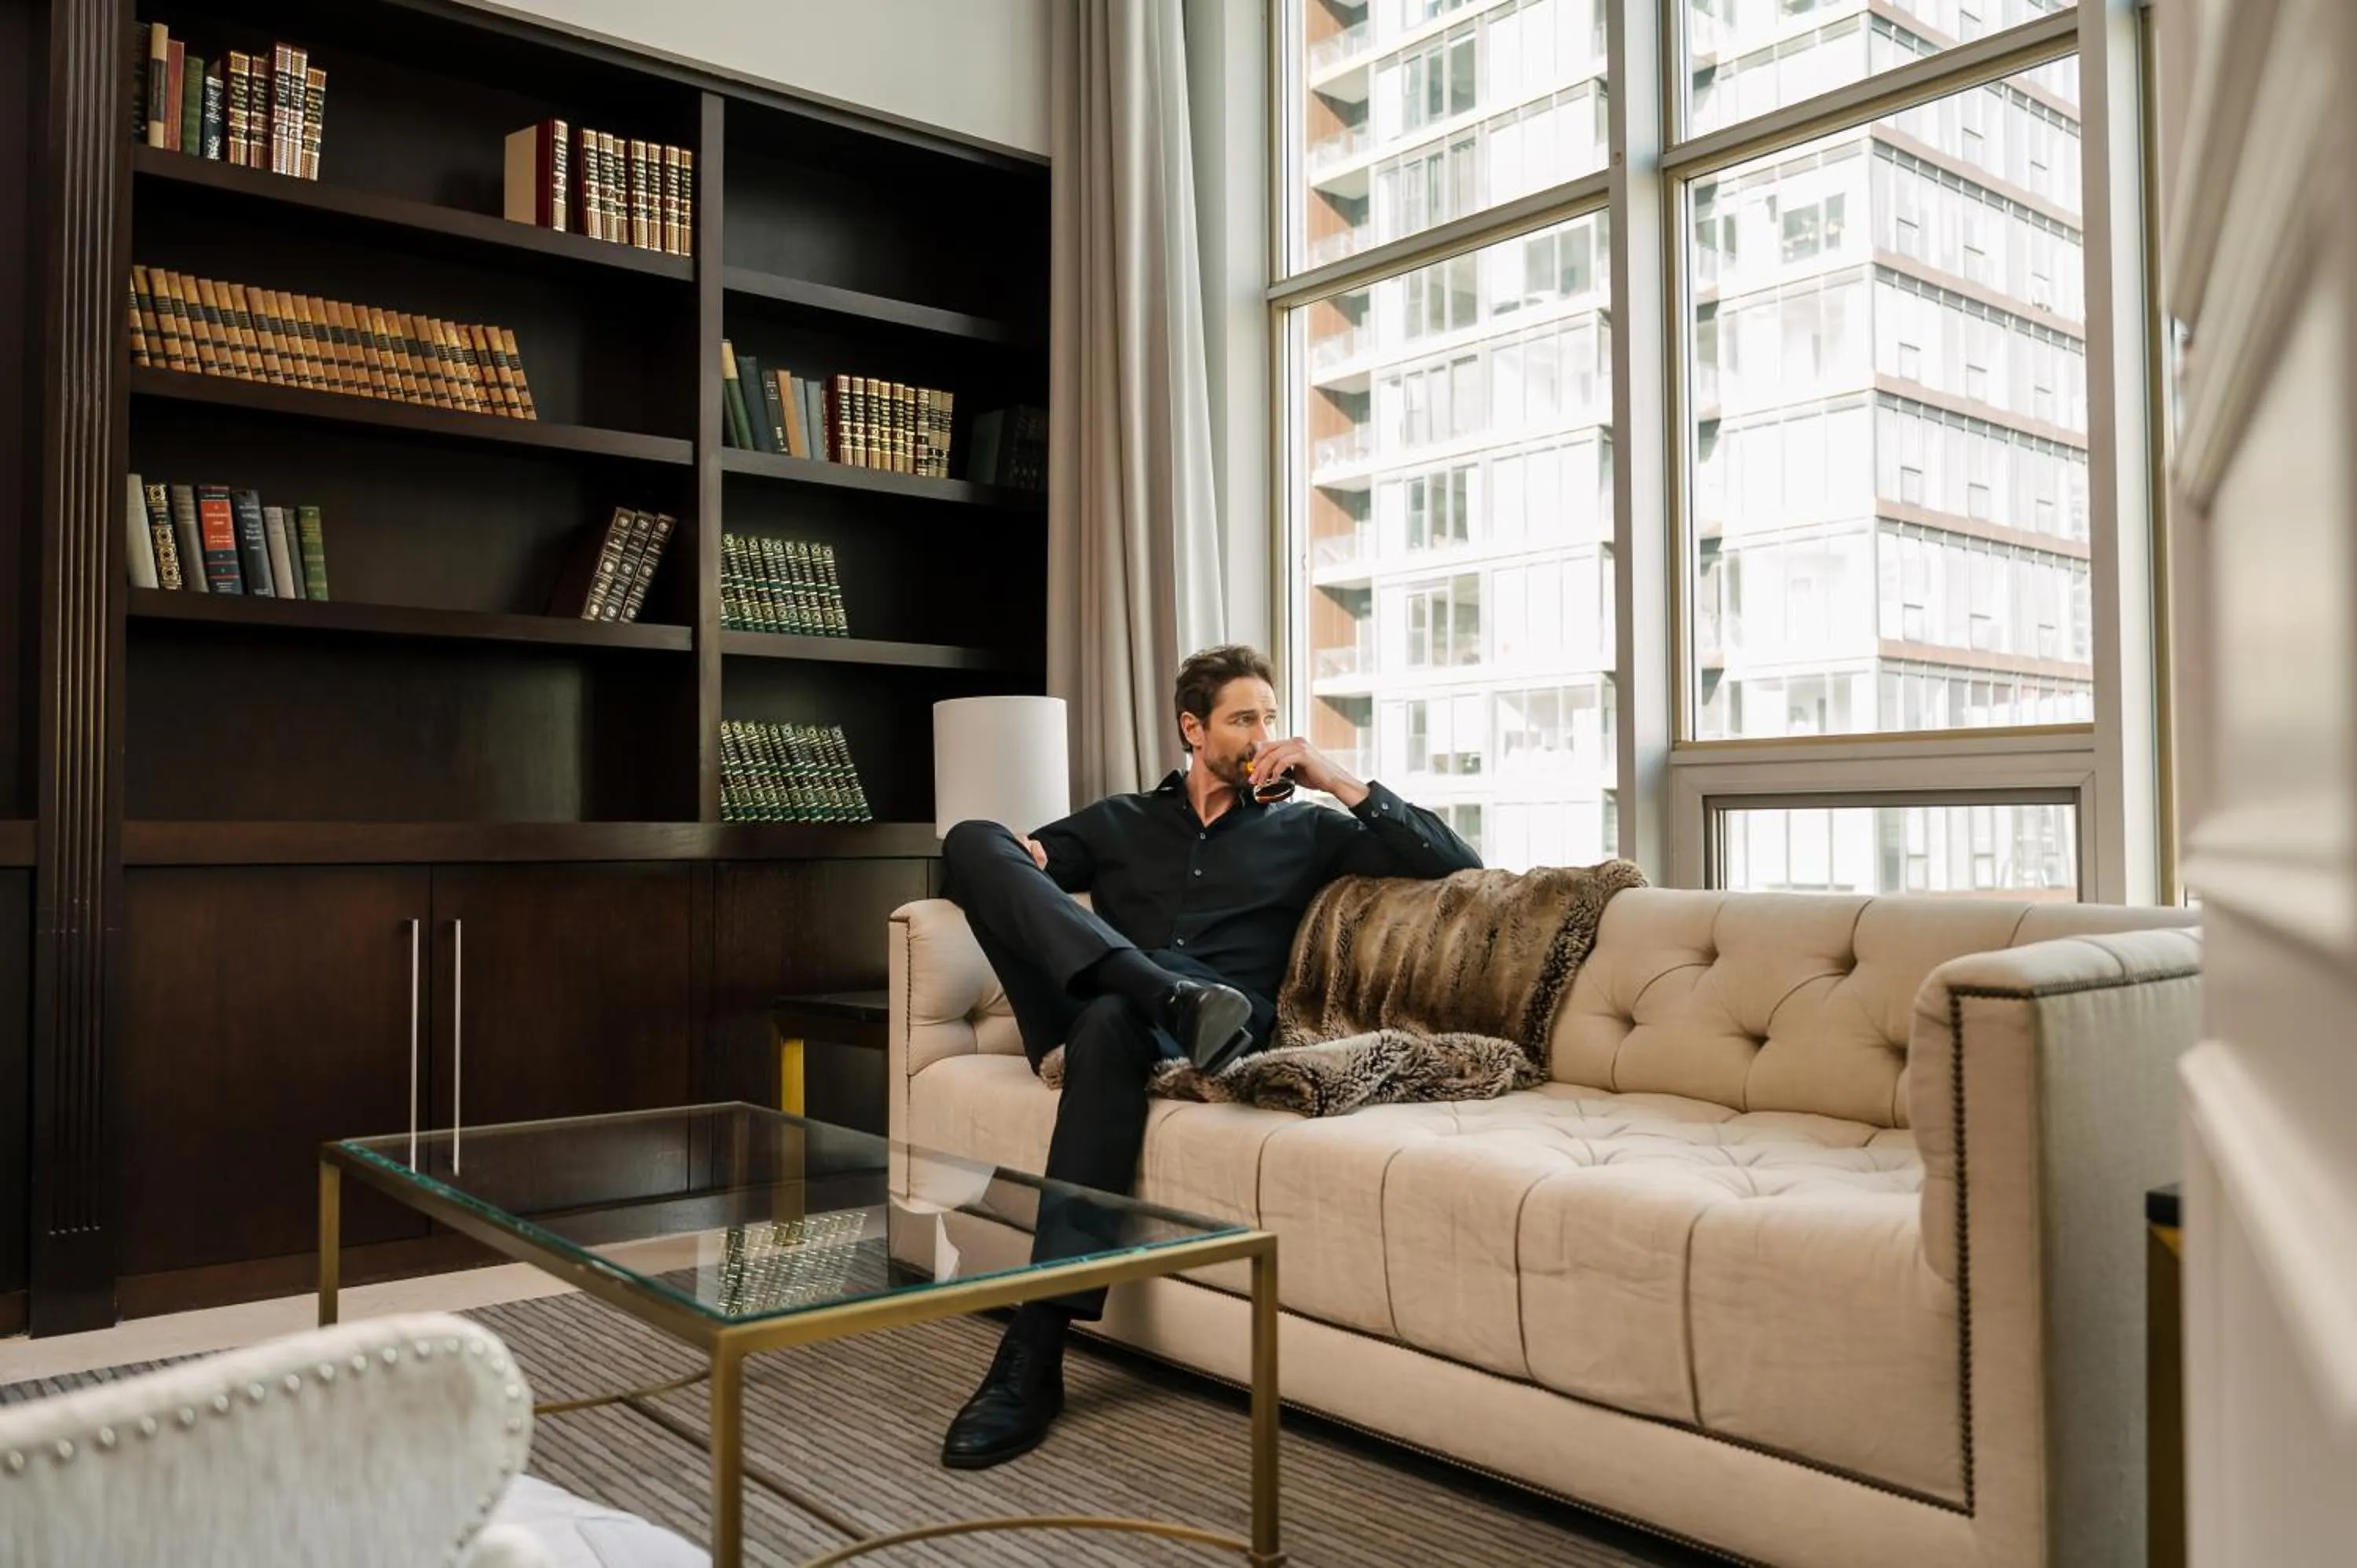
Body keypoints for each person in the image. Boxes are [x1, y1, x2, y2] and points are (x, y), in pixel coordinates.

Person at [935, 643, 1482, 1469]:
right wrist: (1024, 859)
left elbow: (1456, 865)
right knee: (973, 839)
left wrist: (1334, 775)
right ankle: (1159, 990)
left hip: (1212, 1027)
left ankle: (1033, 1353)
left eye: (1270, 715)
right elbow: (1021, 866)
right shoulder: (1118, 821)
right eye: (1243, 718)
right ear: (1193, 729)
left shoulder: (1308, 831)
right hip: (1095, 1001)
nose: (1265, 732)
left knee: (1114, 1020)